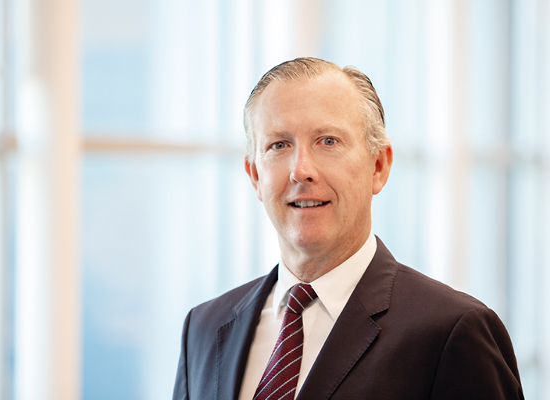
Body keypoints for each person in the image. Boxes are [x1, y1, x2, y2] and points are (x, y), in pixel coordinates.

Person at [173, 57, 524, 400]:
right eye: (279, 145)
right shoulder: (204, 329)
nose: (301, 171)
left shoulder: (451, 333)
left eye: (328, 141)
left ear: (378, 166)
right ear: (255, 175)